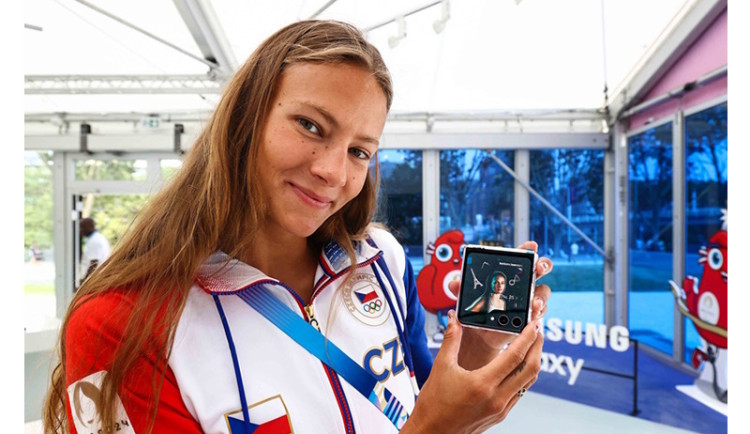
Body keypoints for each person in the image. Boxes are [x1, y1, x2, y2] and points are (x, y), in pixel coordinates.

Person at [43, 20, 553, 434]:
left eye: (359, 151)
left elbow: (420, 396)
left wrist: (478, 349)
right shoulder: (121, 323)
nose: (334, 171)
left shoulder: (381, 259)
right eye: (310, 126)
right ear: (245, 117)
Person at [78, 217, 111, 285]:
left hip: (96, 279)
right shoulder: (97, 238)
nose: (81, 230)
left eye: (82, 227)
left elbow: (94, 263)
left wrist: (85, 282)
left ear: (89, 227)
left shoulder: (94, 241)